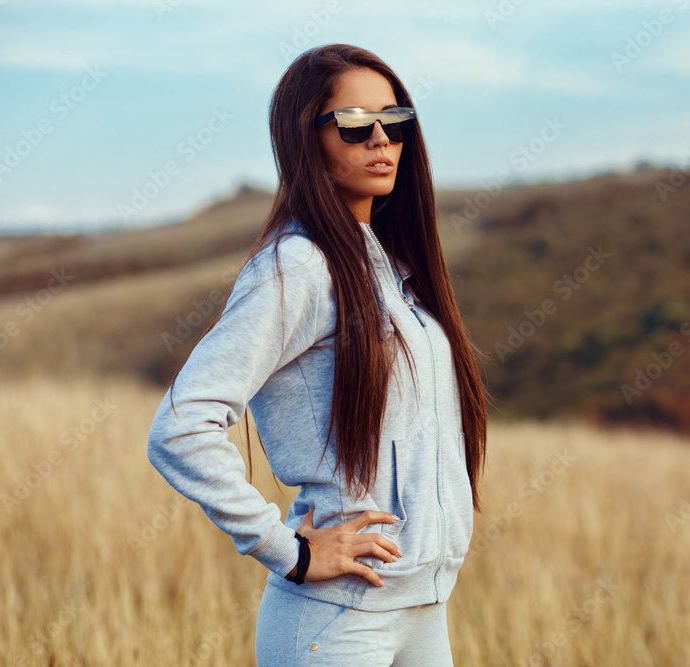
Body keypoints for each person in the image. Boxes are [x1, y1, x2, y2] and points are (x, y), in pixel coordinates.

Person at [146, 43, 489, 666]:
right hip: (335, 621)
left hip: (423, 608)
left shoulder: (395, 270)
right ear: (308, 141)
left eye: (396, 120)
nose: (380, 139)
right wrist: (290, 550)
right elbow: (180, 425)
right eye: (356, 124)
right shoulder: (298, 266)